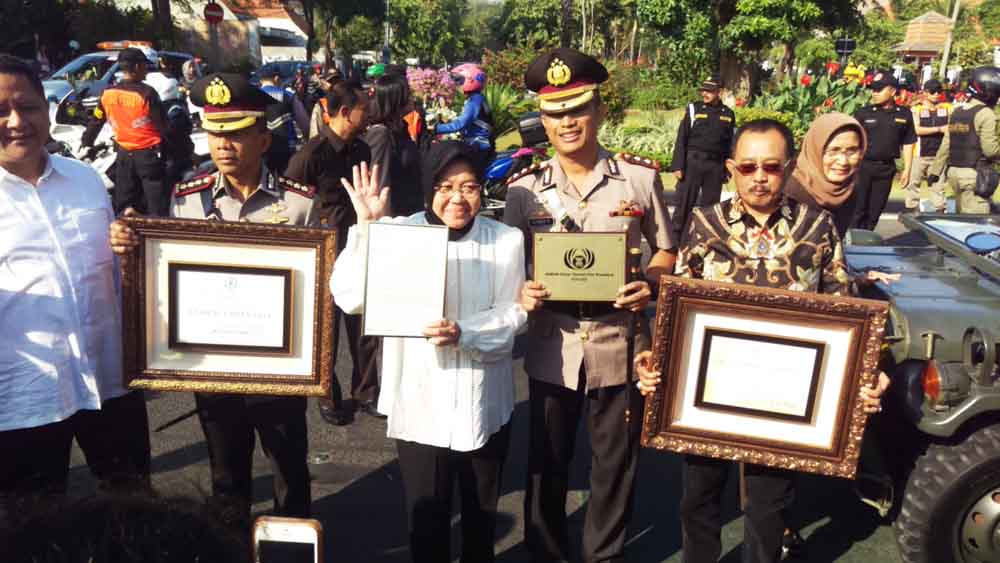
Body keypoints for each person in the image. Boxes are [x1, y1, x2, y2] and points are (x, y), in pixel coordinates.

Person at [635, 119, 889, 563]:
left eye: (771, 167)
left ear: (787, 167)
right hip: (706, 398)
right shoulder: (704, 225)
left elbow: (846, 311)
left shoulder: (818, 227)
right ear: (731, 168)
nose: (759, 177)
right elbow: (680, 310)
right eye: (748, 166)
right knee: (699, 501)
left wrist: (868, 376)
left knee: (768, 510)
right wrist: (656, 359)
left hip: (783, 406)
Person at [108, 73, 317, 527]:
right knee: (226, 480)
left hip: (279, 369)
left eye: (237, 132)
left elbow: (316, 290)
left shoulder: (301, 206)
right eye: (216, 132)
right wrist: (132, 247)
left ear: (263, 138)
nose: (224, 145)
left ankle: (292, 551)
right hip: (212, 367)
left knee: (290, 474)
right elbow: (168, 274)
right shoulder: (185, 200)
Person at [503, 48, 677, 563]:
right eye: (555, 113)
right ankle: (546, 553)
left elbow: (667, 249)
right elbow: (507, 266)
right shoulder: (523, 191)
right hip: (552, 343)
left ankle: (604, 555)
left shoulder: (639, 180)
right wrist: (520, 291)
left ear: (598, 110)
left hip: (620, 342)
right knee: (546, 464)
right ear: (543, 118)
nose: (566, 123)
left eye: (577, 109)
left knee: (614, 465)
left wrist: (649, 280)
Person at [331, 144, 527, 562]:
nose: (458, 198)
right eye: (445, 187)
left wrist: (465, 333)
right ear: (427, 189)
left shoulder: (505, 240)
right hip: (421, 402)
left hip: (483, 401)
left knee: (480, 519)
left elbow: (514, 314)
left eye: (469, 186)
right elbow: (349, 297)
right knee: (427, 522)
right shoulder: (400, 233)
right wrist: (366, 229)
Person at [0, 54, 150, 505]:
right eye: (0, 111)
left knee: (133, 514)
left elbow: (116, 273)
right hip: (26, 398)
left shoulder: (85, 180)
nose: (16, 121)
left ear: (47, 109)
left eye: (27, 107)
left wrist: (134, 247)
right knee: (32, 532)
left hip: (110, 384)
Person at [284, 80, 378, 426]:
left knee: (364, 323)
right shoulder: (312, 154)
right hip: (324, 250)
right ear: (343, 113)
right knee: (327, 328)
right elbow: (290, 201)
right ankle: (328, 394)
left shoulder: (362, 150)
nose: (368, 117)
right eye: (363, 111)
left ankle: (367, 391)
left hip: (358, 243)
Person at [80, 48, 170, 216]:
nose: (146, 70)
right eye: (144, 66)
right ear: (136, 67)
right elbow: (164, 127)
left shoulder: (108, 93)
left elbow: (96, 121)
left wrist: (86, 143)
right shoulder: (147, 93)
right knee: (156, 206)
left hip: (123, 157)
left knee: (126, 204)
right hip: (148, 156)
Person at [669, 74, 735, 241]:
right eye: (704, 90)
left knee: (711, 208)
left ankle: (707, 242)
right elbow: (682, 137)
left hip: (715, 165)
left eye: (710, 91)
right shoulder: (694, 109)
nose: (705, 94)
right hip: (693, 162)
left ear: (719, 92)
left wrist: (727, 168)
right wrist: (678, 165)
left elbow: (730, 143)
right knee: (683, 204)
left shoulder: (728, 114)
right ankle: (675, 242)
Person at [850, 69, 917, 230]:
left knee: (875, 211)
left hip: (886, 168)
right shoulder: (863, 113)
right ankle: (852, 243)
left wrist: (907, 169)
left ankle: (866, 241)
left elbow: (908, 143)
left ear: (893, 91)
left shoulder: (904, 114)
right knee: (857, 210)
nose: (874, 93)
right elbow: (852, 141)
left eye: (879, 89)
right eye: (873, 89)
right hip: (863, 167)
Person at [783, 112, 869, 237]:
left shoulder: (848, 189)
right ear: (815, 149)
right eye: (833, 151)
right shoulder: (788, 192)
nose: (843, 161)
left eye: (852, 151)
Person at [929, 66, 1000, 214]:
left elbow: (945, 145)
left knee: (962, 219)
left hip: (954, 173)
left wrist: (935, 172)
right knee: (977, 224)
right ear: (988, 91)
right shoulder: (986, 114)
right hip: (974, 175)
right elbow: (990, 150)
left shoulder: (957, 112)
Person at [364, 73, 422, 216]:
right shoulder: (381, 134)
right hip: (394, 219)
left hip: (410, 213)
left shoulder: (401, 128)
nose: (412, 98)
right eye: (407, 94)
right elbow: (379, 182)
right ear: (396, 99)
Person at [904, 79, 950, 214]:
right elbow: (916, 130)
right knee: (913, 185)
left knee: (938, 186)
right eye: (932, 91)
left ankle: (940, 211)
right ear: (925, 92)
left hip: (939, 156)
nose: (936, 94)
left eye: (939, 91)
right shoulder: (916, 109)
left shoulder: (947, 108)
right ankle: (912, 210)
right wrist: (940, 129)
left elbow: (954, 126)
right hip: (919, 154)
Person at [434, 63, 493, 152]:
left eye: (459, 81)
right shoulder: (477, 98)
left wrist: (435, 129)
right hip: (477, 143)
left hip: (477, 145)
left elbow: (460, 124)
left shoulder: (474, 101)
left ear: (470, 81)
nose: (456, 85)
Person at [259, 69, 298, 174]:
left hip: (261, 152)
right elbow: (305, 124)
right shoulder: (288, 96)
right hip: (286, 151)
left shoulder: (253, 96)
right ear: (276, 79)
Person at [308, 69, 342, 138]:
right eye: (330, 81)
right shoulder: (320, 105)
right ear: (325, 84)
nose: (334, 85)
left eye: (337, 81)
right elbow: (314, 134)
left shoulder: (348, 101)